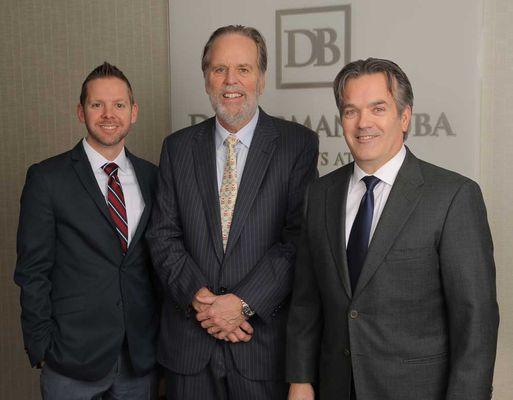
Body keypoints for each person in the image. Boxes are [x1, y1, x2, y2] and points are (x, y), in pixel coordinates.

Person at [286, 58, 499, 400]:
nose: (363, 123)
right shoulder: (320, 194)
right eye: (351, 111)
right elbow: (306, 301)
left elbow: (475, 320)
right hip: (335, 388)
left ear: (404, 116)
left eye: (378, 108)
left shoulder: (453, 196)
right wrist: (300, 379)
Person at [147, 25, 318, 399]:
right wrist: (203, 302)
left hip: (261, 349)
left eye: (243, 68)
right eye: (219, 69)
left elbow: (297, 239)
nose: (230, 81)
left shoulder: (296, 145)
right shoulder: (177, 148)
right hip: (189, 350)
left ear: (261, 78)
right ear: (206, 79)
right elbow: (162, 236)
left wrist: (242, 304)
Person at [14, 62, 159, 399]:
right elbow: (32, 271)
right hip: (70, 361)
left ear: (133, 112)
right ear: (81, 112)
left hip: (139, 360)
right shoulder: (47, 178)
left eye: (119, 105)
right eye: (97, 105)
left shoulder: (154, 177)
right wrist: (41, 346)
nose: (109, 114)